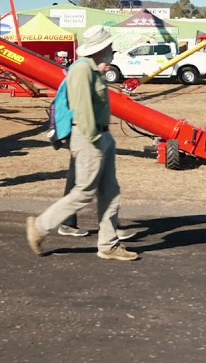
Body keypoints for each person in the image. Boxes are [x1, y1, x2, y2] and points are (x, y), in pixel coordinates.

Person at [26, 25, 139, 261]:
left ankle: (108, 245)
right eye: (109, 48)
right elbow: (82, 110)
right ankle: (39, 227)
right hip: (89, 137)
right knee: (84, 192)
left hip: (101, 136)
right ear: (100, 49)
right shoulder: (81, 71)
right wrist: (96, 139)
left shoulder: (94, 70)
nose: (112, 51)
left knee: (110, 192)